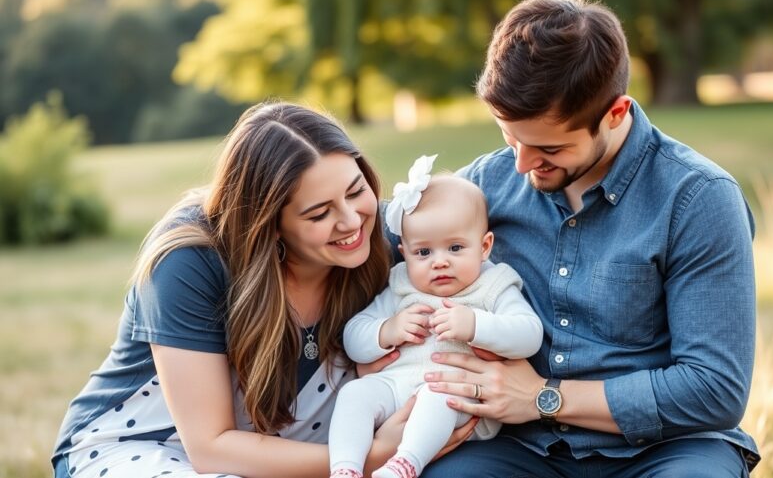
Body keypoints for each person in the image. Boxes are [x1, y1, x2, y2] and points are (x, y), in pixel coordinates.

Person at [419, 0, 761, 477]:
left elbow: (714, 389)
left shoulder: (699, 199)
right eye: (509, 137)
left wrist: (544, 397)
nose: (520, 166)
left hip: (665, 449)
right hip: (519, 448)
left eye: (549, 148)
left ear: (616, 113)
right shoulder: (481, 188)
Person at [51, 102, 474, 478]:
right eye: (319, 213)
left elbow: (470, 220)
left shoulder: (388, 241)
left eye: (356, 190)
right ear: (270, 224)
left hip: (301, 455)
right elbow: (210, 448)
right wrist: (366, 458)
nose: (352, 221)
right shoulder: (190, 261)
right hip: (143, 451)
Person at [328, 156, 543, 478]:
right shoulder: (401, 284)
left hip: (457, 395)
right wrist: (388, 330)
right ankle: (345, 468)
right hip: (396, 386)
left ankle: (405, 464)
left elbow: (529, 335)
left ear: (484, 247)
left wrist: (476, 325)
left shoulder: (493, 285)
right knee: (354, 394)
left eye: (455, 248)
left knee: (437, 395)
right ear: (405, 252)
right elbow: (354, 338)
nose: (439, 262)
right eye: (424, 252)